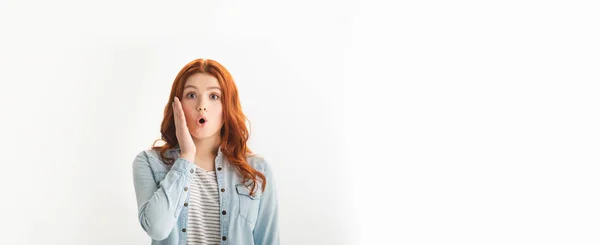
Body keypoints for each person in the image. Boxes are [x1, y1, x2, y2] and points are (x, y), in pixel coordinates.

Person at [132, 58, 280, 245]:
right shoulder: (149, 162)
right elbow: (157, 228)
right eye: (191, 95)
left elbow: (268, 241)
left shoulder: (258, 170)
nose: (202, 105)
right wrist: (186, 156)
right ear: (177, 104)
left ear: (227, 106)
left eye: (214, 96)